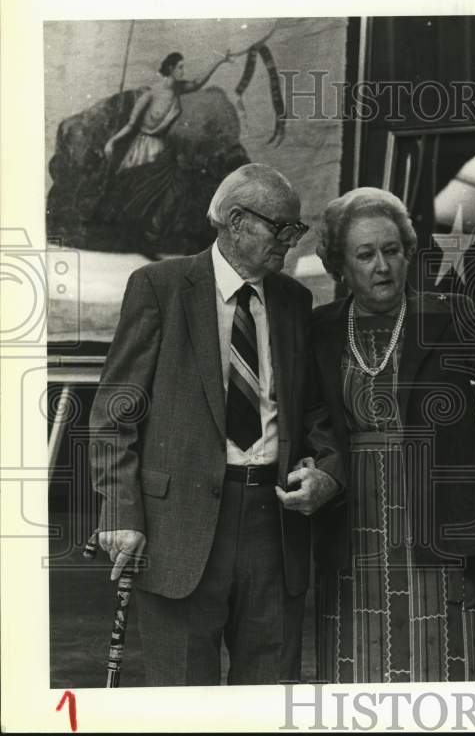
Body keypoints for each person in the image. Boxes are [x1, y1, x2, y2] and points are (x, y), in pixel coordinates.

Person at [89, 163, 344, 686]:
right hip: (175, 527)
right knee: (183, 697)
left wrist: (329, 472)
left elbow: (316, 412)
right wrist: (120, 511)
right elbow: (116, 411)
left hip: (274, 524)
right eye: (282, 228)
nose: (291, 243)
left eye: (296, 230)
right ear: (234, 221)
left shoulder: (295, 302)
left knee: (269, 694)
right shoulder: (160, 288)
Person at [310, 187, 475, 683]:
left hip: (434, 514)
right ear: (339, 266)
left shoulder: (448, 314)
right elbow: (308, 415)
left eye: (392, 251)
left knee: (439, 661)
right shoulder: (320, 328)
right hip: (351, 516)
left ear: (408, 253)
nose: (382, 266)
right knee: (355, 661)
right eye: (366, 254)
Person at [95, 50, 231, 253]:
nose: (183, 71)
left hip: (162, 150)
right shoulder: (150, 94)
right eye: (180, 67)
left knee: (171, 192)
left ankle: (151, 238)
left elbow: (198, 83)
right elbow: (131, 125)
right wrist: (112, 142)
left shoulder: (177, 91)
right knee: (137, 193)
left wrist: (219, 60)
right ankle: (130, 238)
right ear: (170, 69)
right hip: (142, 149)